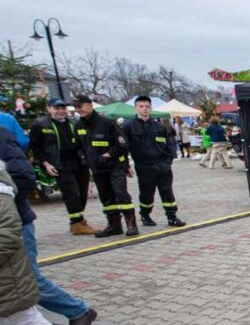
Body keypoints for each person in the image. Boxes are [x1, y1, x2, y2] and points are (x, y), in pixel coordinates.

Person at [0, 127, 97, 325]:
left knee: (25, 280)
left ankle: (78, 311)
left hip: (12, 224)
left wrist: (5, 201)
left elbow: (23, 177)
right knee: (11, 287)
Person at [0, 158, 89, 325]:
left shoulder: (1, 192)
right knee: (14, 318)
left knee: (24, 316)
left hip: (7, 272)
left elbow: (8, 233)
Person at [72, 96, 138, 238]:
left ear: (89, 105)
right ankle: (114, 226)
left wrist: (109, 154)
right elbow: (78, 147)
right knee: (106, 198)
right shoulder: (78, 126)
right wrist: (84, 158)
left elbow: (122, 144)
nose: (79, 110)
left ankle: (131, 225)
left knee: (121, 194)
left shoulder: (107, 123)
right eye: (76, 107)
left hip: (115, 166)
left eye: (81, 106)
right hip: (97, 168)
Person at [28, 98, 97, 235]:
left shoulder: (74, 123)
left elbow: (83, 142)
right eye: (57, 108)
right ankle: (77, 224)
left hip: (78, 162)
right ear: (49, 108)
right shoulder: (41, 125)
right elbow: (36, 148)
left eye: (63, 108)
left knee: (82, 193)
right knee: (72, 193)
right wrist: (46, 164)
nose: (60, 111)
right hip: (59, 164)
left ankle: (78, 220)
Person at [123, 96, 186, 228]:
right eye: (141, 106)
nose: (145, 109)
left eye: (147, 106)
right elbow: (123, 148)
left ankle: (172, 217)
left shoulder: (159, 126)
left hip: (162, 165)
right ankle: (145, 215)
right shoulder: (129, 127)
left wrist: (168, 161)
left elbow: (169, 144)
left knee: (167, 192)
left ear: (151, 108)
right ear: (136, 108)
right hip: (144, 166)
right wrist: (126, 165)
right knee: (147, 193)